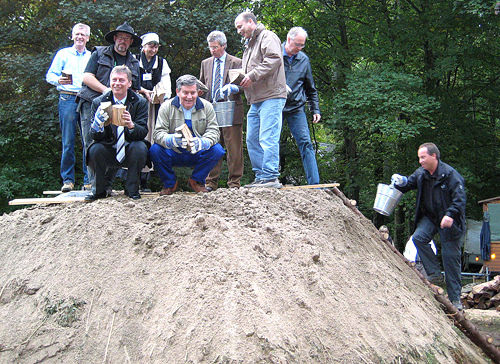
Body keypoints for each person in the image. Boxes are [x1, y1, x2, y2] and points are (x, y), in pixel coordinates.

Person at [392, 142, 466, 310]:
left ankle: (455, 301)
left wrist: (450, 214)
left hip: (450, 221)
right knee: (418, 238)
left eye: (423, 157)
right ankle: (434, 273)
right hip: (430, 217)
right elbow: (409, 183)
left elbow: (460, 199)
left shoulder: (450, 175)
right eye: (419, 158)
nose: (420, 161)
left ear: (434, 156)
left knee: (450, 259)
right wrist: (399, 181)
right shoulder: (422, 174)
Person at [76, 22, 142, 190]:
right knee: (92, 142)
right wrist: (107, 91)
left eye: (127, 38)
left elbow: (135, 88)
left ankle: (108, 185)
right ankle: (94, 185)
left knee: (117, 141)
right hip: (91, 102)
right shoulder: (99, 53)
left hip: (120, 106)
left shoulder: (134, 61)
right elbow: (86, 77)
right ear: (114, 38)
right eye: (121, 37)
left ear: (131, 42)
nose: (123, 41)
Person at [234, 12, 287, 188]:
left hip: (271, 96)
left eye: (240, 27)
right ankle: (261, 176)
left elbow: (274, 59)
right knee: (252, 139)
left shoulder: (267, 36)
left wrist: (252, 75)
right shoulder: (249, 44)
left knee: (267, 137)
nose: (239, 31)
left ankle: (271, 176)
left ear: (251, 22)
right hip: (255, 99)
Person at [149, 75, 225, 195]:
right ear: (178, 92)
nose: (189, 97)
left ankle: (196, 181)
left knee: (217, 150)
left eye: (193, 93)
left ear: (198, 92)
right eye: (185, 93)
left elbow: (214, 132)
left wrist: (203, 142)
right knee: (155, 149)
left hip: (197, 151)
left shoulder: (207, 107)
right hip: (173, 151)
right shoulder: (166, 107)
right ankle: (170, 183)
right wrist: (171, 139)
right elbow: (158, 133)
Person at [84, 66, 149, 202]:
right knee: (94, 149)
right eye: (114, 80)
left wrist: (132, 125)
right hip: (108, 147)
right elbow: (94, 136)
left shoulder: (140, 102)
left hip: (129, 147)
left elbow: (142, 132)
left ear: (129, 83)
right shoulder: (98, 102)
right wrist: (97, 126)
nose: (117, 83)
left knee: (140, 147)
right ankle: (99, 190)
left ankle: (132, 190)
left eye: (121, 80)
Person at [46, 23, 92, 192]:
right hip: (67, 97)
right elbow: (50, 75)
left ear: (87, 38)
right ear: (72, 36)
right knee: (68, 140)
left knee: (89, 140)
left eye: (83, 34)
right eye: (77, 34)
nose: (80, 37)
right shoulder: (63, 54)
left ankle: (89, 180)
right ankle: (68, 180)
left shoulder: (91, 56)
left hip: (86, 99)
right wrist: (58, 80)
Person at [199, 30, 244, 191]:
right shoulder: (206, 63)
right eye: (210, 47)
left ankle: (234, 183)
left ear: (224, 46)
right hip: (211, 110)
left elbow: (244, 86)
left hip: (231, 108)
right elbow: (203, 86)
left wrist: (233, 88)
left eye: (216, 47)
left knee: (234, 148)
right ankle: (211, 182)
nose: (213, 50)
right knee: (213, 147)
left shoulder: (237, 62)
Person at [282, 27, 321, 185]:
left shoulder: (303, 59)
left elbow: (310, 88)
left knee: (306, 143)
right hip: (275, 105)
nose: (299, 48)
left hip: (296, 108)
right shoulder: (275, 54)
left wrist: (315, 109)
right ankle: (267, 180)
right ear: (289, 40)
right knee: (270, 142)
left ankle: (315, 185)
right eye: (297, 45)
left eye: (302, 46)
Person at [135, 32, 172, 191]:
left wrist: (160, 96)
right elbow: (130, 83)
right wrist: (143, 92)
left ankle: (153, 179)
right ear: (143, 47)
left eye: (156, 46)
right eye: (151, 45)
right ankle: (136, 181)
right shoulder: (135, 61)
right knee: (138, 137)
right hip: (138, 106)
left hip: (156, 107)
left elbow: (167, 87)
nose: (154, 49)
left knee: (155, 138)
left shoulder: (162, 63)